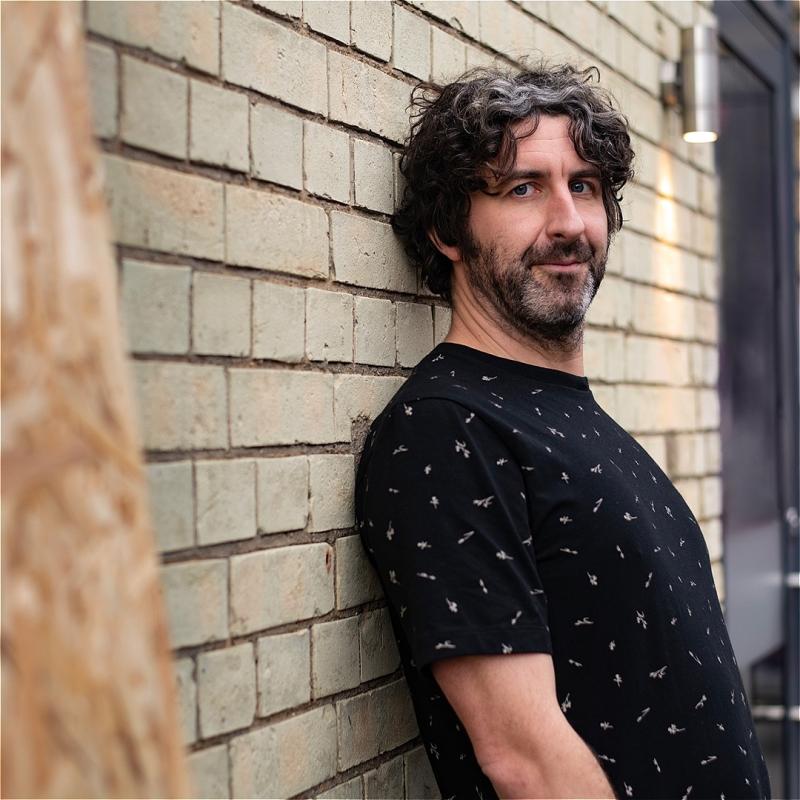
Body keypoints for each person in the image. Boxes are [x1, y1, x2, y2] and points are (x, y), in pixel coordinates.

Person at [354, 62, 771, 800]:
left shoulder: (570, 413)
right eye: (523, 188)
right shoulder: (446, 429)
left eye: (584, 187)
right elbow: (525, 760)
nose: (570, 223)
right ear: (447, 230)